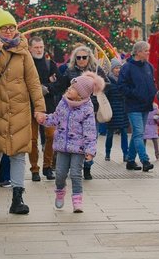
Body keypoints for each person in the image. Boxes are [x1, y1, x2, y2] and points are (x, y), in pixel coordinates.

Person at [0, 8, 46, 215]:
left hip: (19, 110)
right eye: (4, 27)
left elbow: (33, 82)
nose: (8, 31)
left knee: (18, 154)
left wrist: (39, 108)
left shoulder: (23, 51)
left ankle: (17, 197)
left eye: (12, 27)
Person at [35, 71, 102, 213]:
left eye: (72, 88)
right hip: (62, 146)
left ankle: (77, 201)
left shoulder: (87, 109)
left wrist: (90, 150)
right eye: (69, 87)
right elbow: (55, 118)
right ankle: (60, 191)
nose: (68, 90)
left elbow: (90, 131)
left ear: (81, 94)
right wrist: (44, 119)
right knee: (60, 173)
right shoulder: (63, 103)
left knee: (76, 174)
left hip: (78, 148)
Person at [54, 44, 107, 180]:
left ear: (89, 58)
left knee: (90, 138)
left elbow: (108, 85)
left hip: (90, 110)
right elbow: (62, 87)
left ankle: (88, 167)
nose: (82, 60)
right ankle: (74, 167)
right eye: (79, 57)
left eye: (84, 57)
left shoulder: (96, 70)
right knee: (74, 138)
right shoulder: (70, 70)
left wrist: (97, 89)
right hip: (72, 112)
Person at [120, 40, 157, 172]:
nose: (148, 53)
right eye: (146, 50)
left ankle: (130, 160)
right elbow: (122, 86)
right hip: (133, 105)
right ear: (138, 52)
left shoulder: (148, 66)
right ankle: (145, 160)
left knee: (137, 133)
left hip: (146, 105)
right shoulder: (127, 67)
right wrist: (134, 93)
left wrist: (152, 93)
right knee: (139, 133)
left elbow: (152, 82)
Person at [29, 36, 58, 182]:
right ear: (30, 48)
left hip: (48, 106)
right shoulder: (27, 63)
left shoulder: (50, 64)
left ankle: (48, 166)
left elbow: (58, 84)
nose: (39, 50)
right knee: (32, 139)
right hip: (30, 106)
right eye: (36, 47)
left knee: (51, 136)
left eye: (41, 47)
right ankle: (34, 169)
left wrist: (46, 88)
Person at [103, 57, 130, 160]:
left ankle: (125, 154)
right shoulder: (108, 82)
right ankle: (107, 153)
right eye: (116, 68)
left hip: (123, 110)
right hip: (112, 110)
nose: (118, 70)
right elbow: (105, 97)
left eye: (119, 68)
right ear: (112, 69)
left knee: (124, 133)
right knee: (110, 133)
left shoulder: (124, 80)